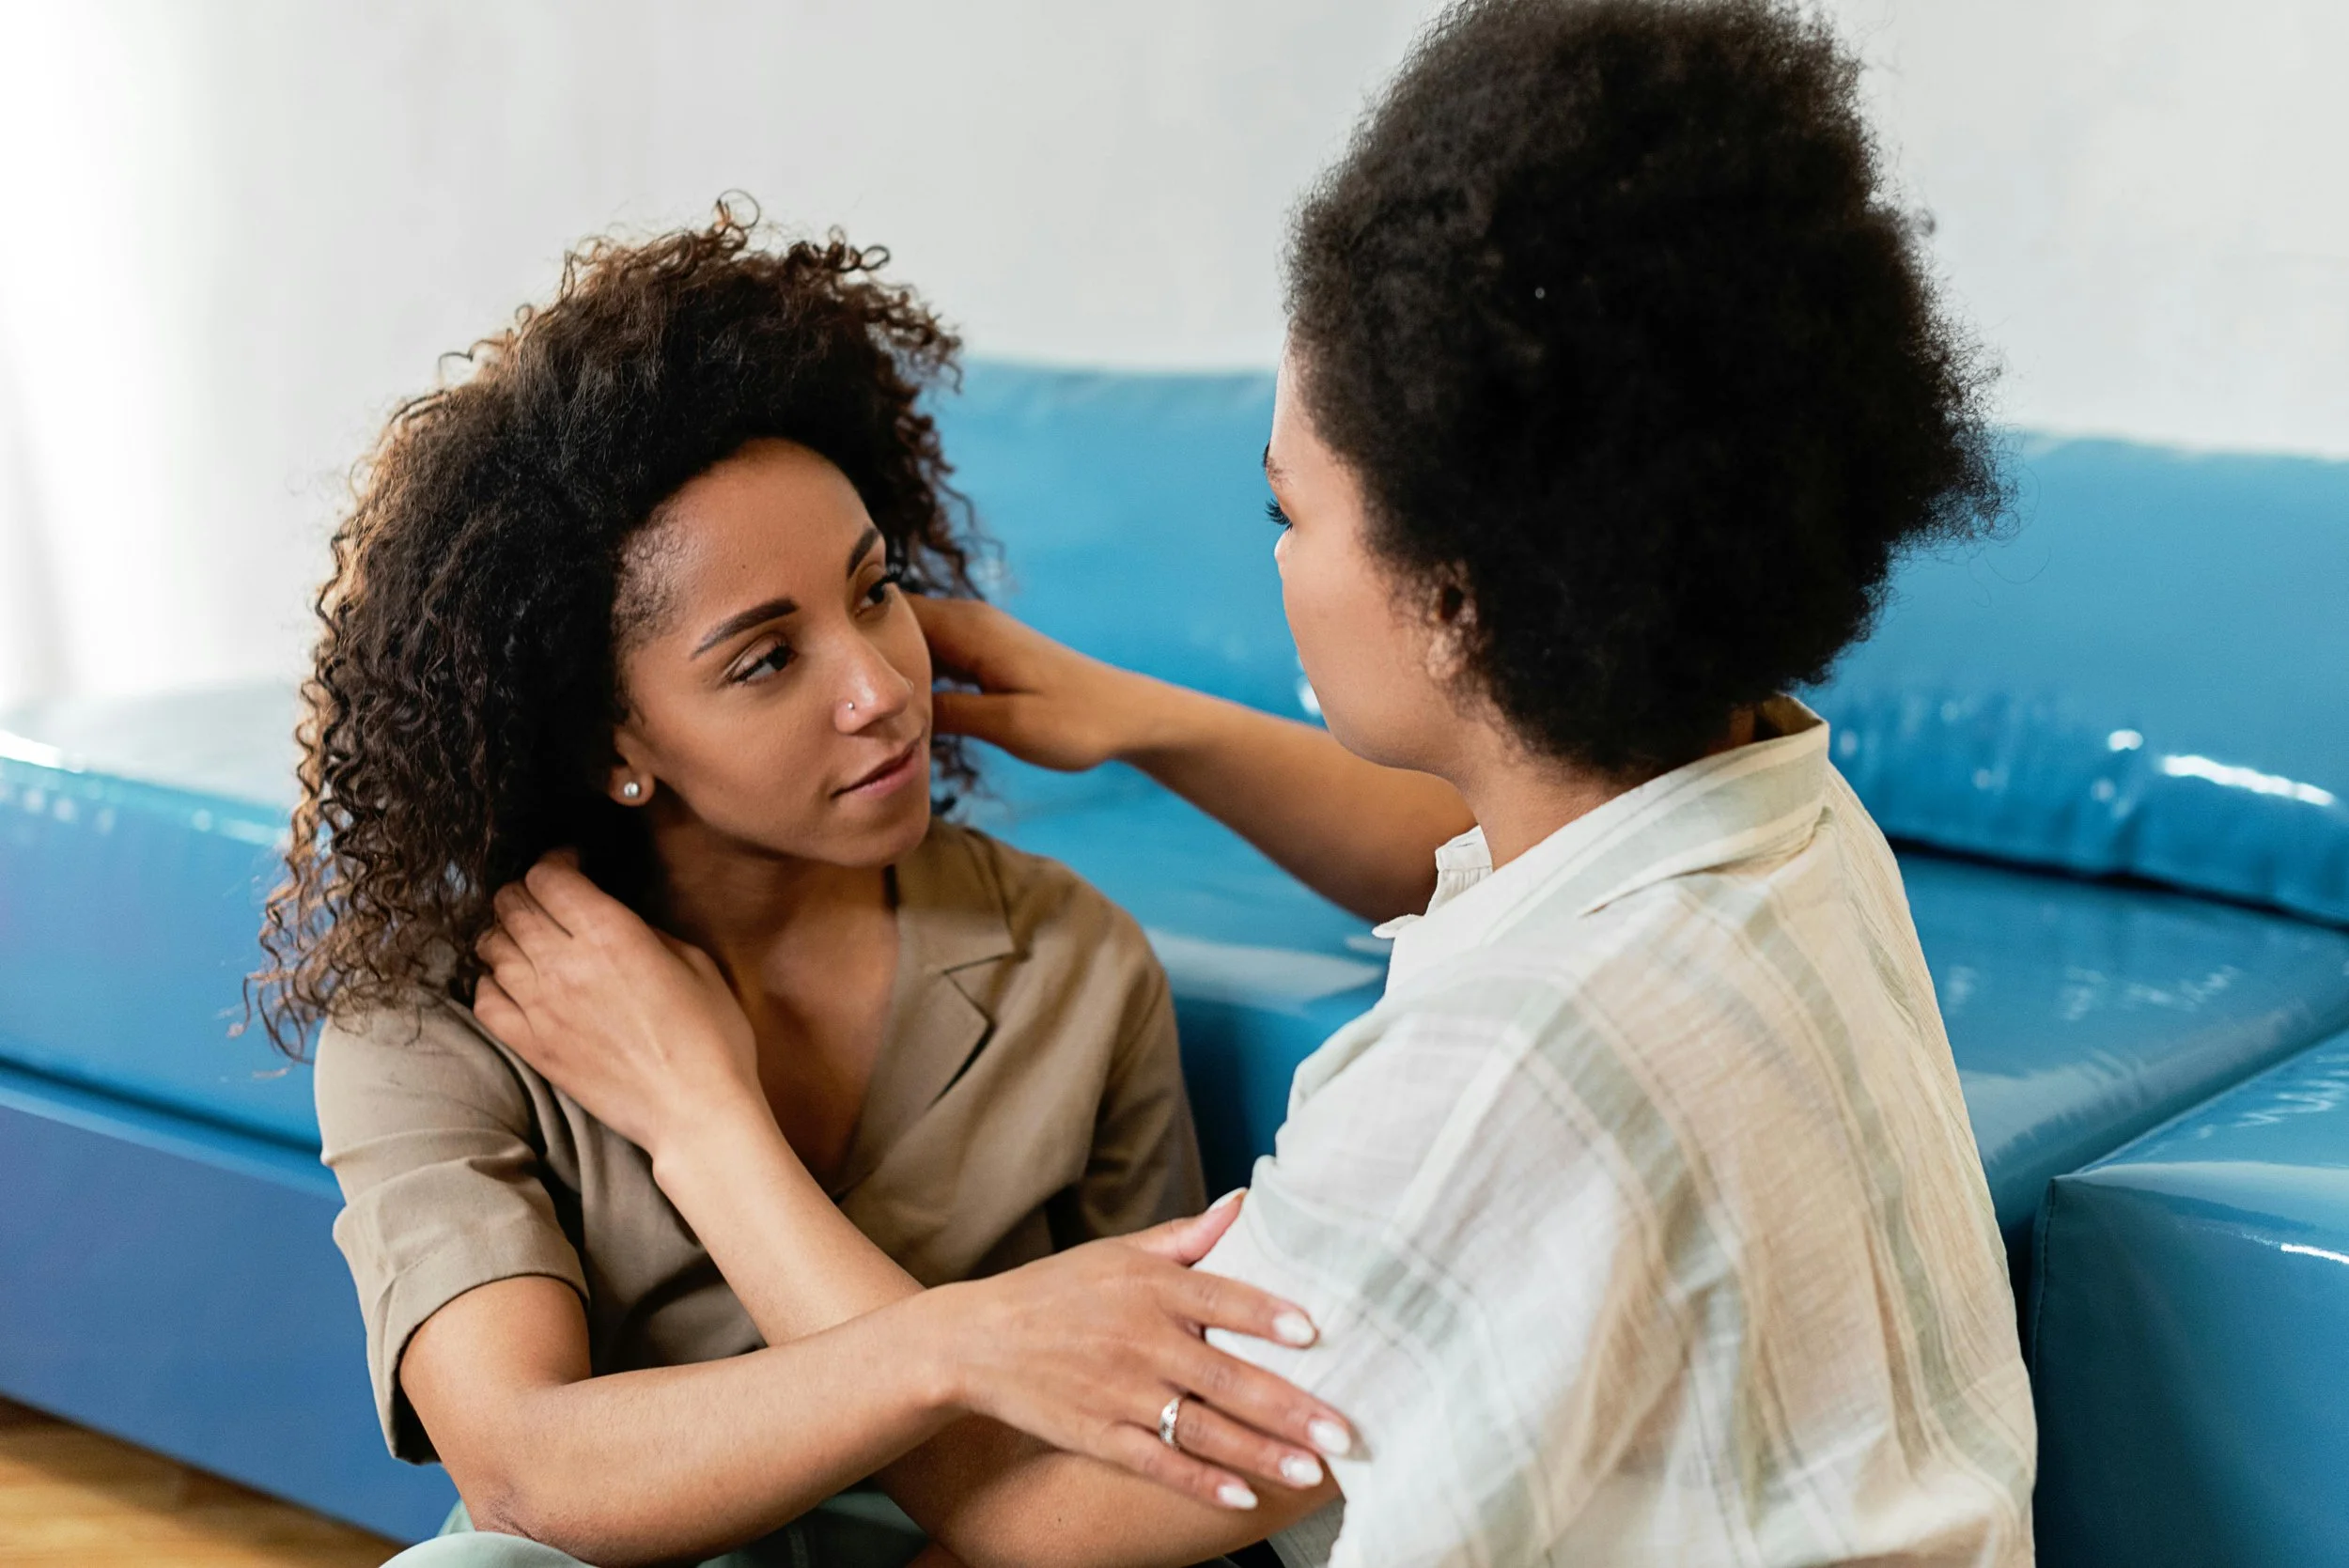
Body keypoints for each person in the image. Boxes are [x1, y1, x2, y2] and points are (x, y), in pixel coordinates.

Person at [472, 0, 2040, 1562]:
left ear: (1459, 596)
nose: (1274, 556)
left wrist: (699, 1119)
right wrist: (1146, 720)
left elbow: (1040, 1510)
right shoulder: (1784, 819)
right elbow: (1479, 852)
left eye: (1289, 511)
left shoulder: (1494, 1077)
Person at [253, 212, 1355, 1568]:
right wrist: (962, 1342)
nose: (883, 689)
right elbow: (526, 1467)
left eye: (874, 590)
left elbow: (1129, 1463)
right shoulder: (436, 1013)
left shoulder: (1070, 962)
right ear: (614, 745)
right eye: (765, 661)